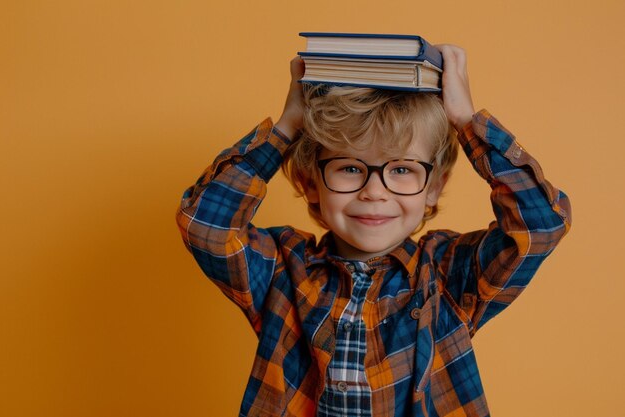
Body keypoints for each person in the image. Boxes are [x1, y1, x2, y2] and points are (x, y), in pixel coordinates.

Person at [176, 44, 571, 417]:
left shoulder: (448, 276)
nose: (374, 192)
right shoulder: (282, 270)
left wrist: (467, 122)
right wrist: (286, 127)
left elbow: (541, 224)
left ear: (433, 187)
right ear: (310, 182)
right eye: (349, 168)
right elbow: (205, 225)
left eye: (401, 169)